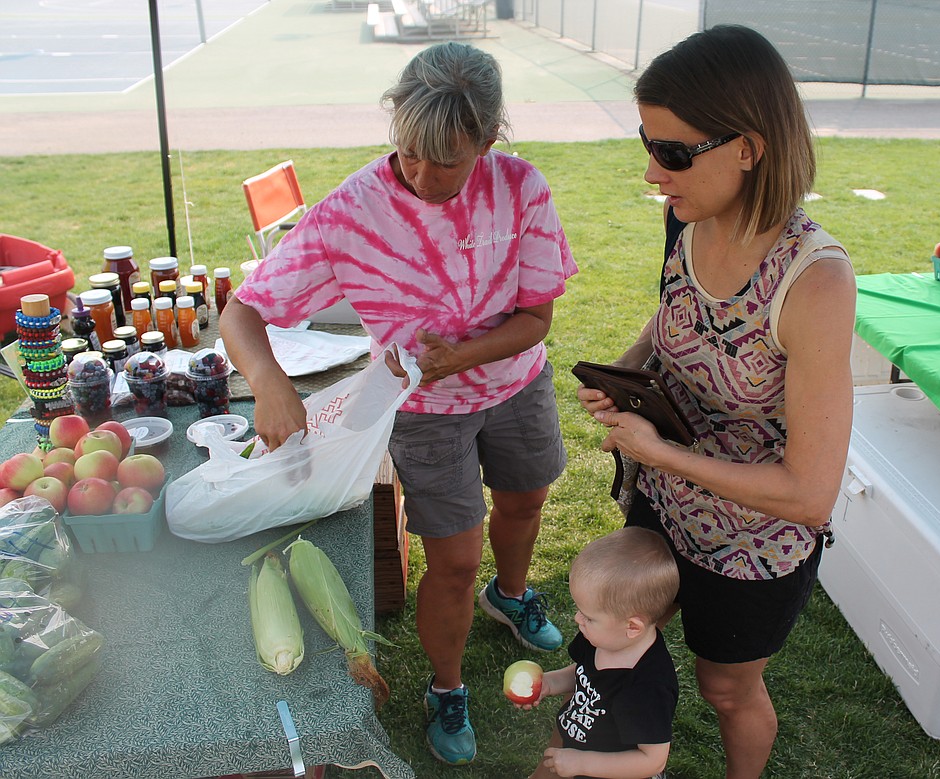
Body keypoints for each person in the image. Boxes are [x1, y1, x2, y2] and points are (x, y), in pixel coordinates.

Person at [220, 41, 578, 766]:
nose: (422, 174)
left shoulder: (521, 190)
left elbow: (537, 319)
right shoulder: (351, 211)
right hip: (421, 411)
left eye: (446, 159)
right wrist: (271, 384)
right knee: (451, 561)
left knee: (525, 503)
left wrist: (462, 355)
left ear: (488, 139)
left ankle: (510, 596)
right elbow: (241, 311)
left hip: (516, 386)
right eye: (409, 151)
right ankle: (447, 687)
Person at [576, 25, 856, 779]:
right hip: (664, 501)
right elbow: (678, 310)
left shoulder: (815, 281)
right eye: (647, 143)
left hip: (749, 542)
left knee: (726, 688)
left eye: (671, 152)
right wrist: (627, 367)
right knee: (621, 646)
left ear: (748, 147)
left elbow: (809, 491)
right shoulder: (688, 214)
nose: (650, 173)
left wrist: (658, 449)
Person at [516, 526, 679, 779]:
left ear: (632, 627)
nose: (577, 619)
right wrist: (549, 683)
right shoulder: (604, 637)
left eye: (589, 617)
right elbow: (584, 675)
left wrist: (583, 763)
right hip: (579, 756)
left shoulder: (647, 687)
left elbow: (653, 760)